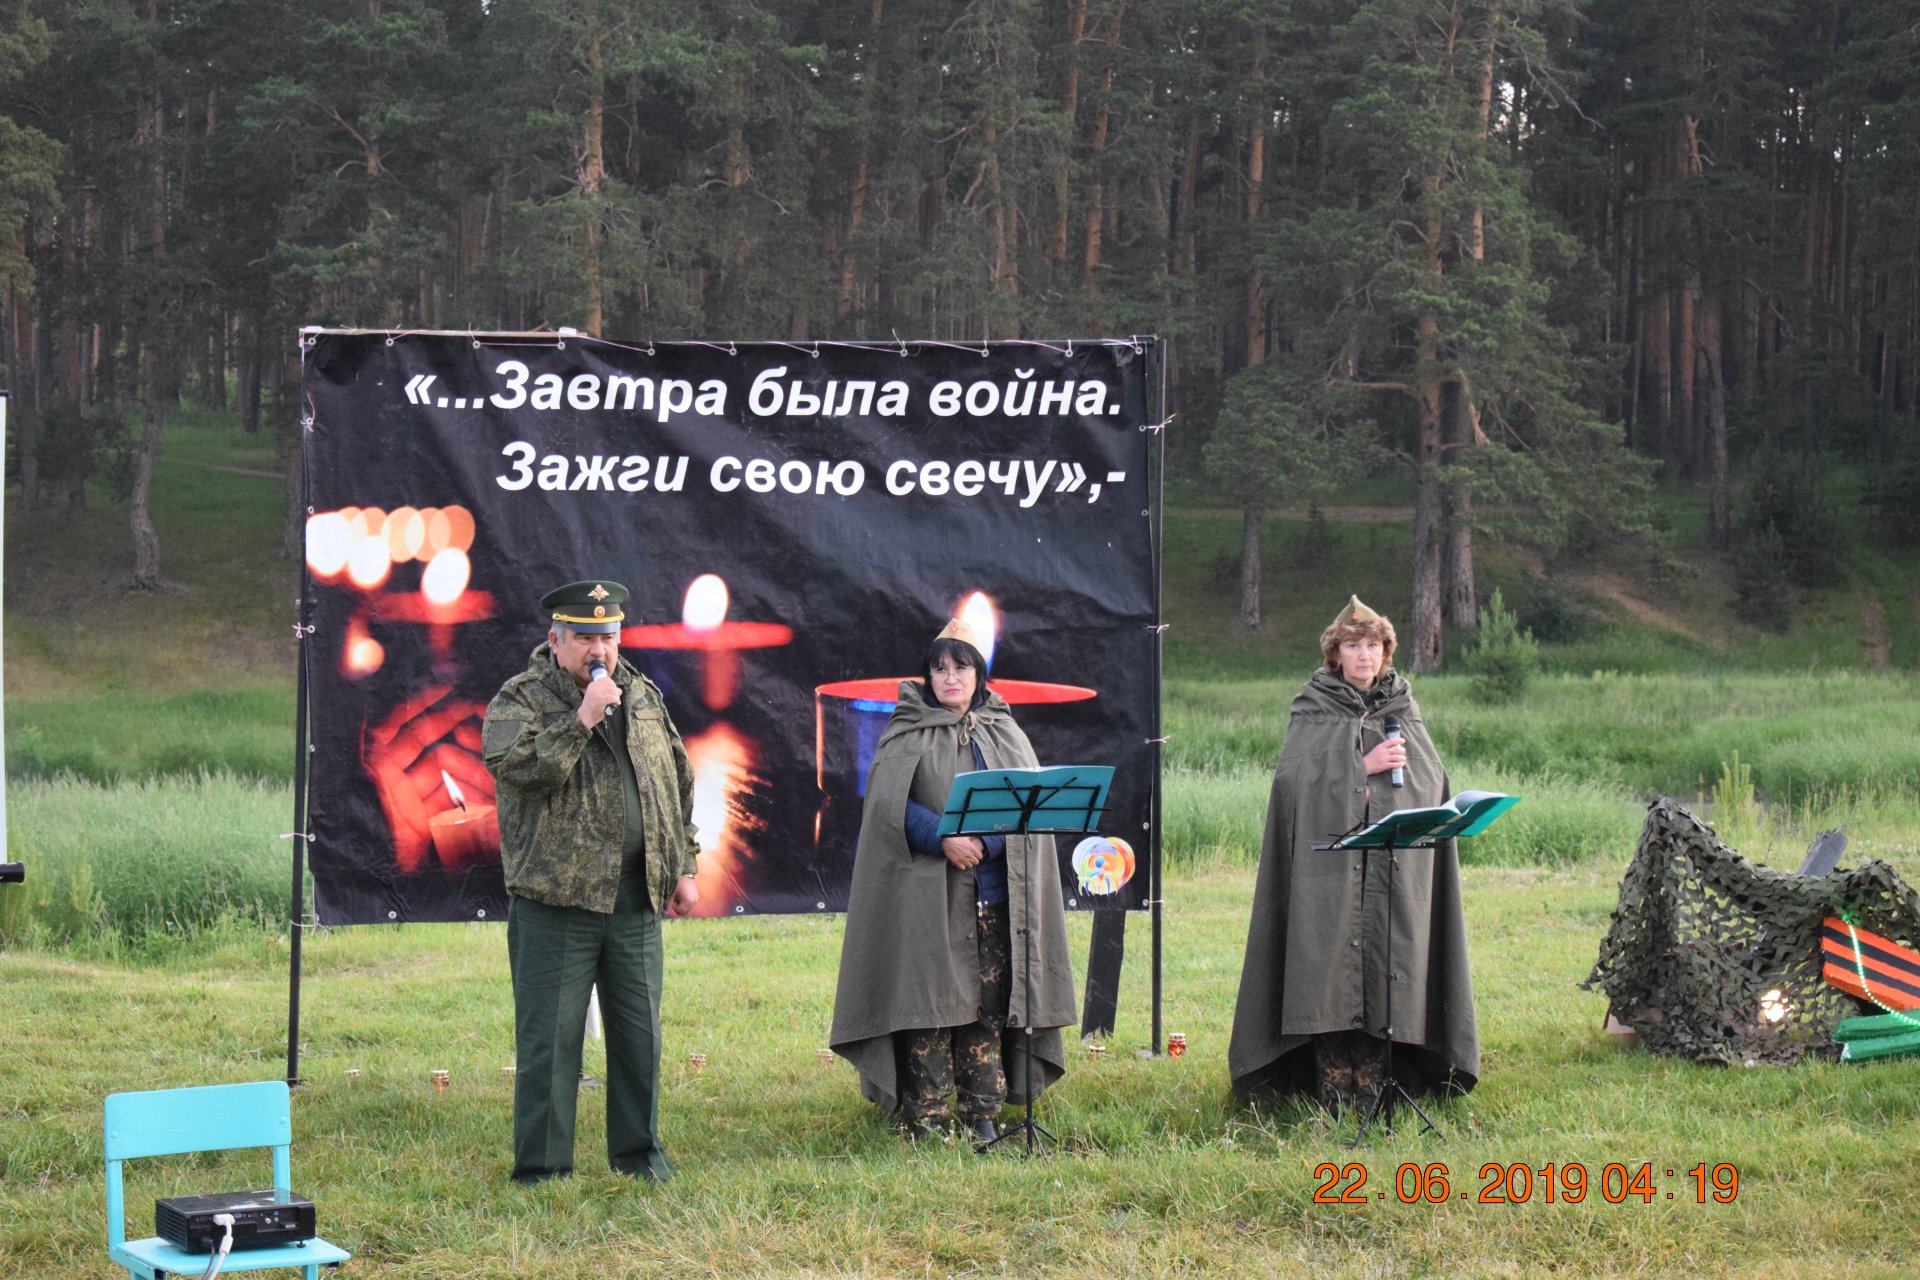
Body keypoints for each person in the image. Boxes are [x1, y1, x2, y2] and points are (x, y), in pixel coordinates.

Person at [483, 579, 701, 1183]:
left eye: (607, 635)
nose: (597, 647)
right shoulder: (521, 699)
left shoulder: (643, 693)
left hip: (636, 900)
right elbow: (518, 771)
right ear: (556, 641)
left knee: (639, 1038)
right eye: (583, 637)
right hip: (557, 902)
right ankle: (544, 1169)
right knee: (549, 1045)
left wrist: (683, 863)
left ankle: (640, 1158)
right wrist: (582, 718)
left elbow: (675, 779)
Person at [829, 617, 1078, 1144]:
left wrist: (984, 843)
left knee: (988, 1006)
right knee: (930, 1003)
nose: (950, 678)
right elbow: (888, 806)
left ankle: (982, 1111)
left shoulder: (1002, 730)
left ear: (978, 674)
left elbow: (1022, 803)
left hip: (992, 897)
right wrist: (942, 836)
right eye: (939, 668)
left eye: (960, 667)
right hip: (929, 894)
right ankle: (928, 1116)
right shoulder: (906, 728)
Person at [1227, 595, 1479, 1111]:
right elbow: (1292, 785)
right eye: (1351, 646)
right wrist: (1360, 768)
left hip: (1393, 870)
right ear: (1334, 654)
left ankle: (1383, 1090)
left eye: (1372, 645)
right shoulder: (1313, 707)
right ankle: (1332, 1094)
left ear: (1386, 652)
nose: (1363, 656)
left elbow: (1429, 779)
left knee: (1389, 967)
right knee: (1328, 971)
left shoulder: (1403, 707)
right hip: (1328, 871)